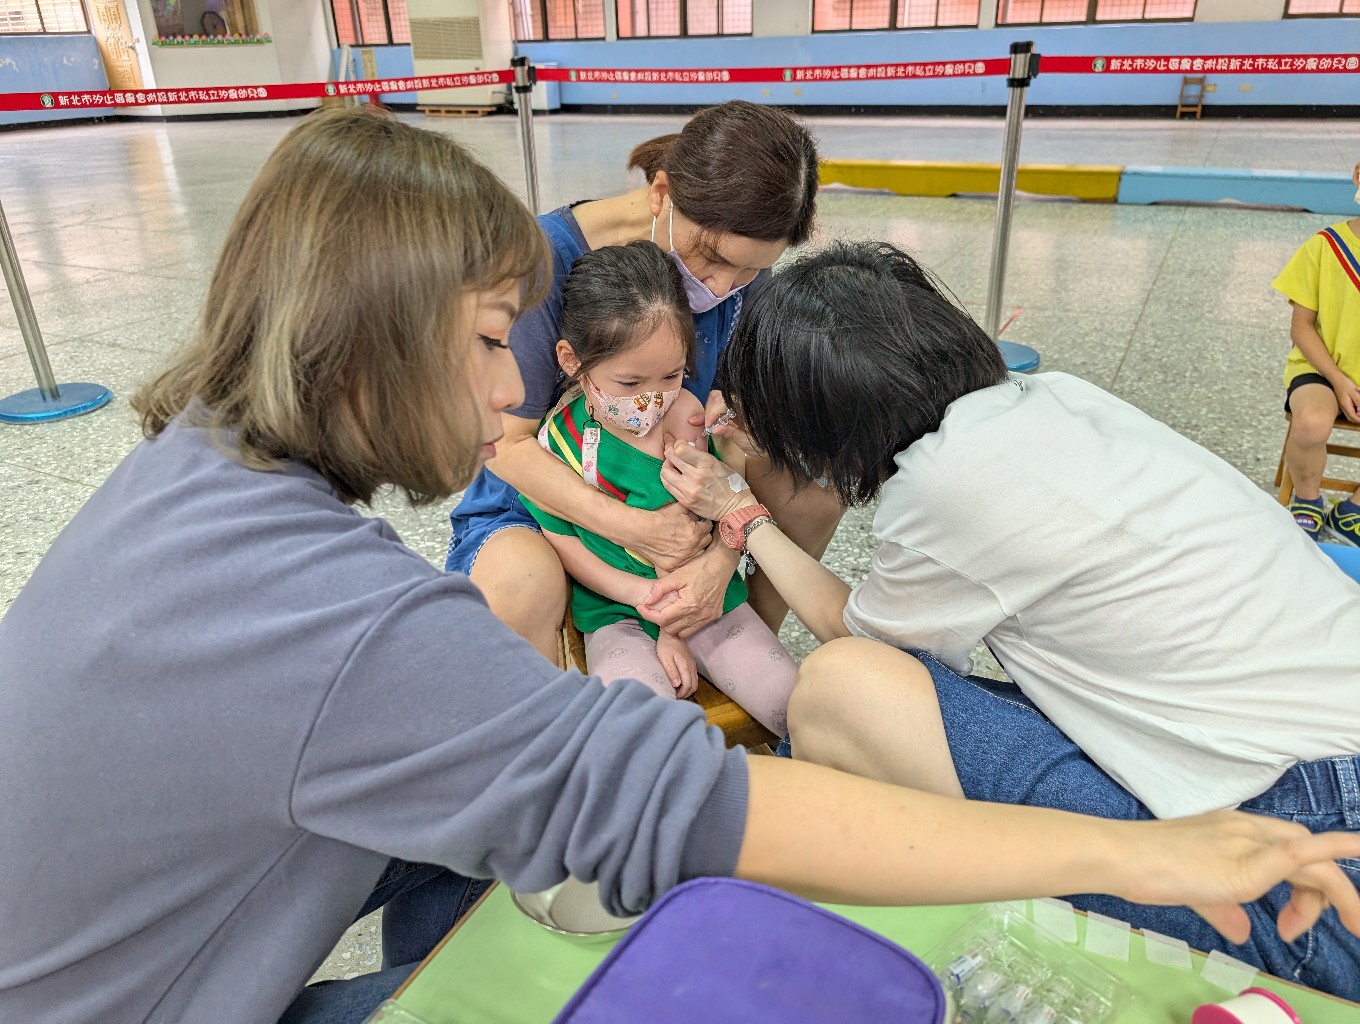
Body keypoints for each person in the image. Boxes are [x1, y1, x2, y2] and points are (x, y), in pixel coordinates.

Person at [3, 111, 1360, 1024]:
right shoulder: (345, 623)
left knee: (548, 871)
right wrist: (1136, 854)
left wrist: (717, 542)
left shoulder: (196, 470)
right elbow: (686, 802)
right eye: (487, 342)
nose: (508, 391)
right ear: (365, 338)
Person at [658, 239, 1360, 999]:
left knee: (840, 691)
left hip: (1300, 861)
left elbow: (853, 632)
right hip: (1317, 757)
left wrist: (739, 511)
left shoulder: (948, 483)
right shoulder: (1052, 395)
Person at [445, 100, 844, 663]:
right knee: (520, 583)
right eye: (712, 258)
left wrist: (720, 556)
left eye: (751, 270)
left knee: (814, 497)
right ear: (662, 193)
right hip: (546, 500)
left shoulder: (743, 279)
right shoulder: (539, 263)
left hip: (682, 486)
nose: (722, 286)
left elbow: (730, 424)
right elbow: (508, 445)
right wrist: (635, 528)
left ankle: (725, 640)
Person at [522, 241, 794, 734]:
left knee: (788, 703)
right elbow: (564, 541)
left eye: (670, 375)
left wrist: (676, 627)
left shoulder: (688, 416)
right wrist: (644, 596)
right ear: (571, 360)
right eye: (629, 383)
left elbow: (714, 511)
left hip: (708, 600)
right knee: (642, 727)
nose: (651, 399)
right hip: (615, 610)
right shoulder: (556, 444)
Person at [1272, 161, 1360, 545]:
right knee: (1310, 423)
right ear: (1358, 175)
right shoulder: (1325, 247)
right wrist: (1339, 381)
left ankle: (1351, 512)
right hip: (1321, 370)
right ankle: (1308, 499)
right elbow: (1301, 328)